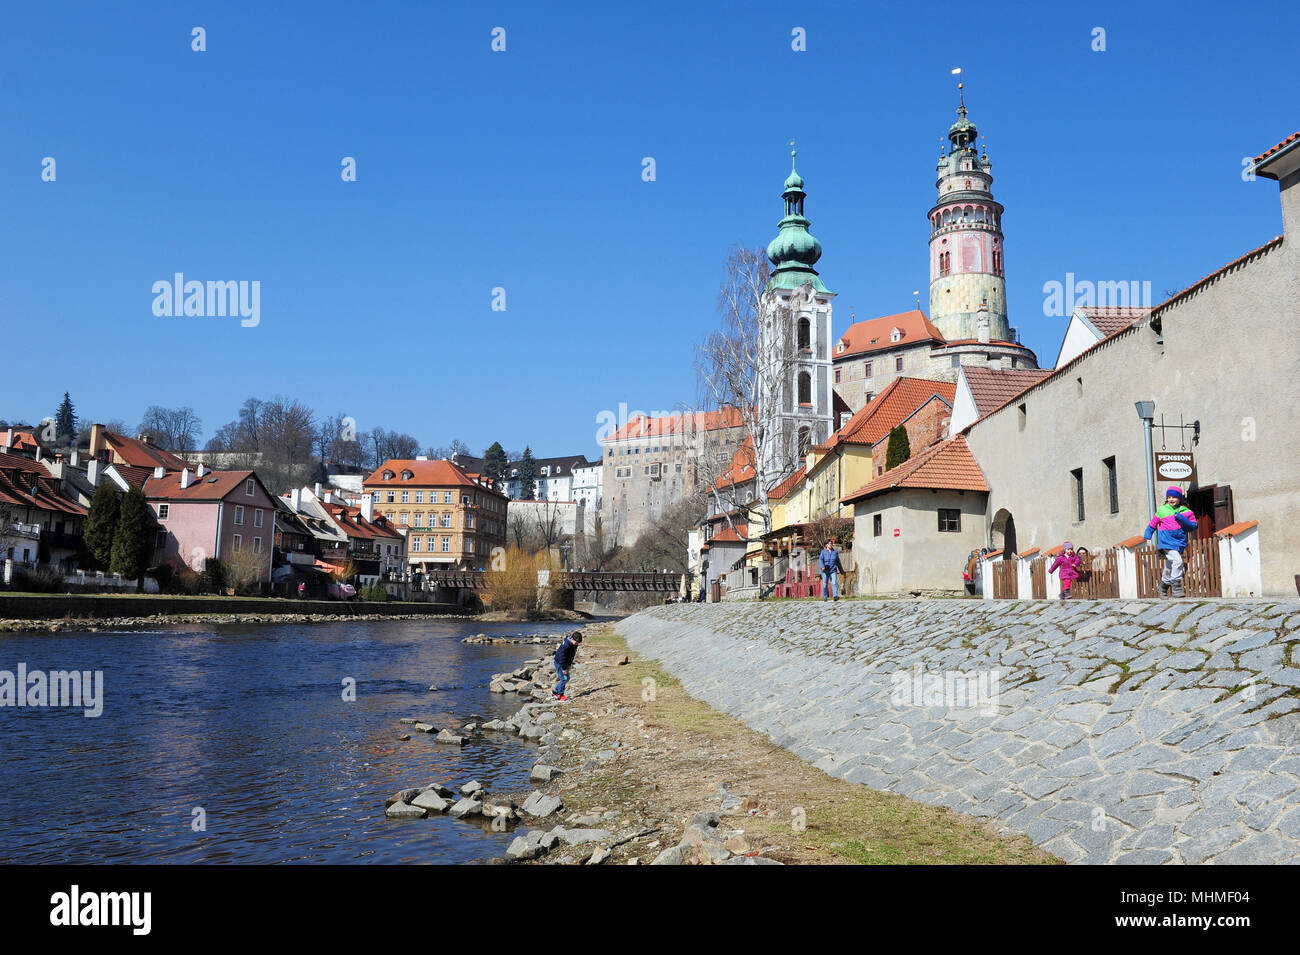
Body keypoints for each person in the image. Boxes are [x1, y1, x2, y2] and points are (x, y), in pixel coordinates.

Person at [1144, 486, 1198, 597]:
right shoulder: (1162, 510)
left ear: (1180, 498)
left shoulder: (1187, 512)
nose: (1171, 499)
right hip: (1166, 542)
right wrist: (1148, 534)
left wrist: (1182, 519)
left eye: (1174, 497)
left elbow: (1193, 526)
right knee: (1178, 561)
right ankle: (1176, 588)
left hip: (1179, 542)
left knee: (1170, 565)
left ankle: (1163, 587)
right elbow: (1153, 523)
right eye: (1169, 497)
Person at [552, 631, 582, 702]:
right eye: (576, 642)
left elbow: (571, 655)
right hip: (559, 663)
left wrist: (569, 665)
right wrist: (564, 668)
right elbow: (562, 658)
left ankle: (555, 691)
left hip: (565, 663)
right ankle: (560, 695)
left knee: (567, 678)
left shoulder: (574, 644)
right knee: (564, 679)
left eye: (578, 643)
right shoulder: (566, 645)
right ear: (572, 639)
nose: (577, 644)